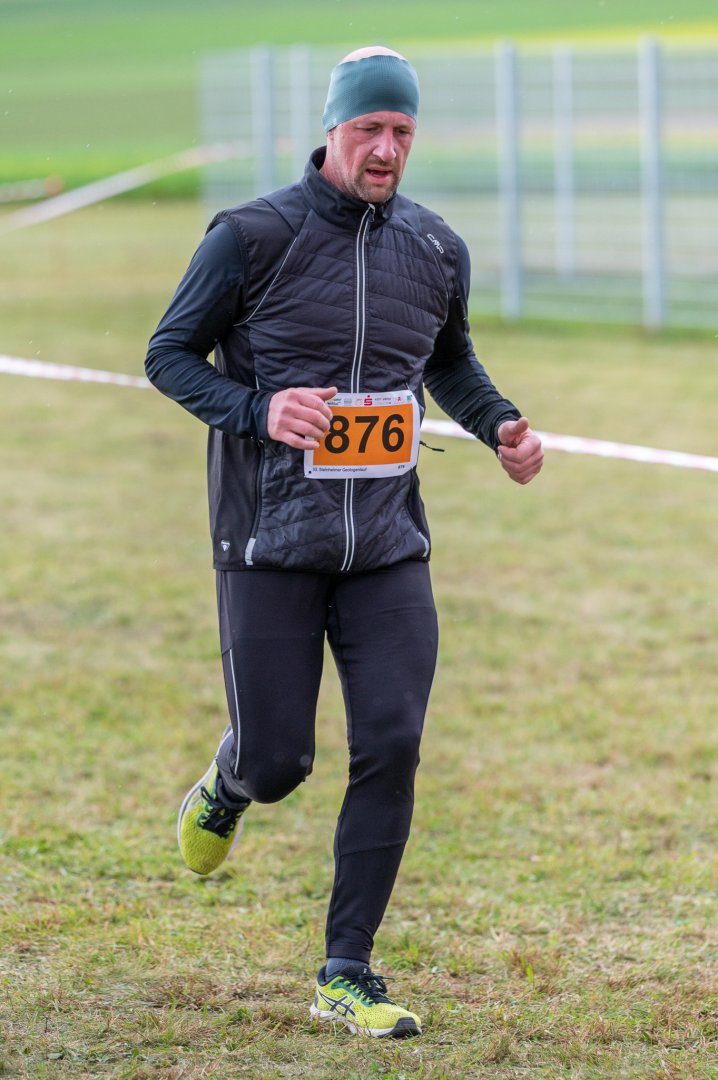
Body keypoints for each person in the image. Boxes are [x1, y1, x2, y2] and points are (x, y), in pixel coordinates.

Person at [145, 44, 543, 1039]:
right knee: (280, 760)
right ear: (332, 129)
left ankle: (346, 970)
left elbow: (448, 361)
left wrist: (499, 423)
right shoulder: (250, 237)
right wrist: (258, 410)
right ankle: (231, 780)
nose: (386, 149)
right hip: (271, 539)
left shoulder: (436, 247)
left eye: (402, 131)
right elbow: (167, 354)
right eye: (369, 129)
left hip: (388, 545)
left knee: (394, 742)